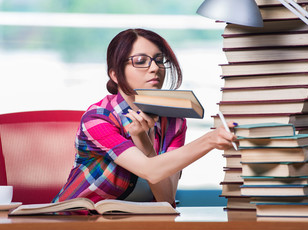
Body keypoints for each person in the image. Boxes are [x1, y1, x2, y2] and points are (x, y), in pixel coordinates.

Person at [52, 28, 237, 207]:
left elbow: (166, 197)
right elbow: (150, 170)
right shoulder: (98, 119)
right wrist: (210, 140)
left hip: (136, 223)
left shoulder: (174, 122)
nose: (155, 68)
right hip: (77, 220)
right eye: (140, 61)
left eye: (159, 60)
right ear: (115, 74)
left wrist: (143, 141)